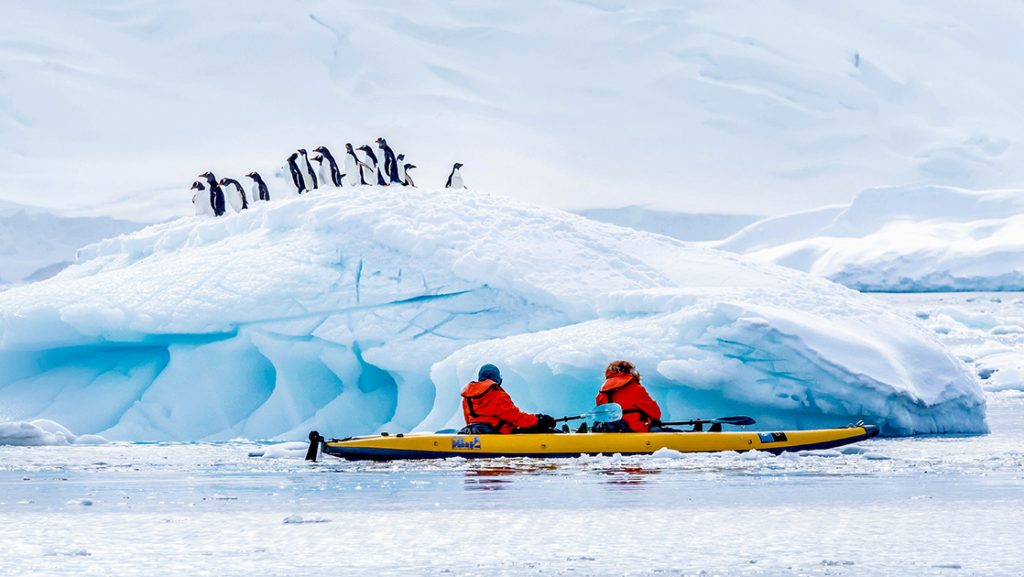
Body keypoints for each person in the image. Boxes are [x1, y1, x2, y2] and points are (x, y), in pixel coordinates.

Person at [460, 364, 556, 434]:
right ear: (497, 378)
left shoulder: (468, 397)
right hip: (499, 433)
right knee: (544, 430)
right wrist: (539, 420)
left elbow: (469, 420)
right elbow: (516, 418)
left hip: (476, 432)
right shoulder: (497, 395)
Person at [594, 360, 666, 433]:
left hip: (608, 431)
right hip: (634, 430)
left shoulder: (602, 391)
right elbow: (656, 413)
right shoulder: (636, 388)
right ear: (630, 372)